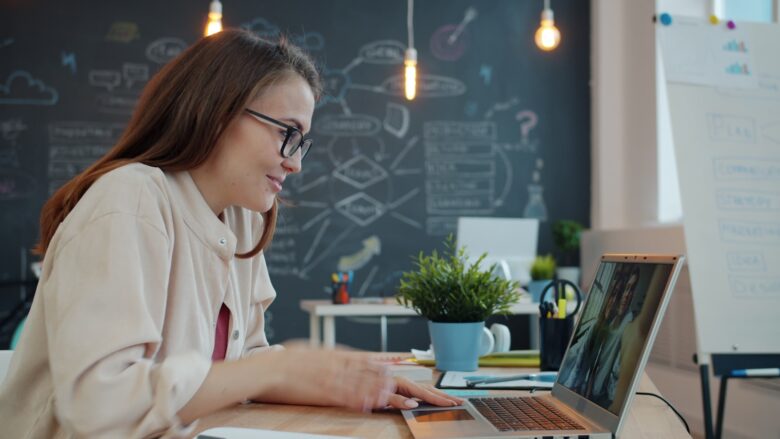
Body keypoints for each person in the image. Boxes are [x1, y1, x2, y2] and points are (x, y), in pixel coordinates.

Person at [0, 29, 461, 438]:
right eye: (287, 133)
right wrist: (275, 367)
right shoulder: (130, 199)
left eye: (302, 142)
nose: (296, 163)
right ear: (216, 111)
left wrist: (354, 383)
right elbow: (99, 408)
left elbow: (244, 365)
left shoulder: (241, 219)